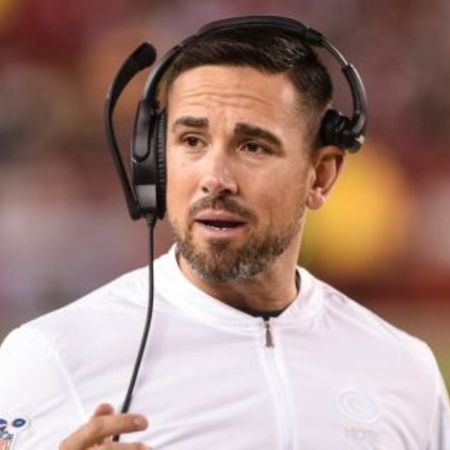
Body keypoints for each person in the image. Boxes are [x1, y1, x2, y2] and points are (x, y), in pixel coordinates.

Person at [1, 16, 449, 450]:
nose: (215, 178)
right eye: (192, 141)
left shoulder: (404, 372)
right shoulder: (50, 355)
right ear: (154, 162)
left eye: (253, 146)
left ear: (321, 175)